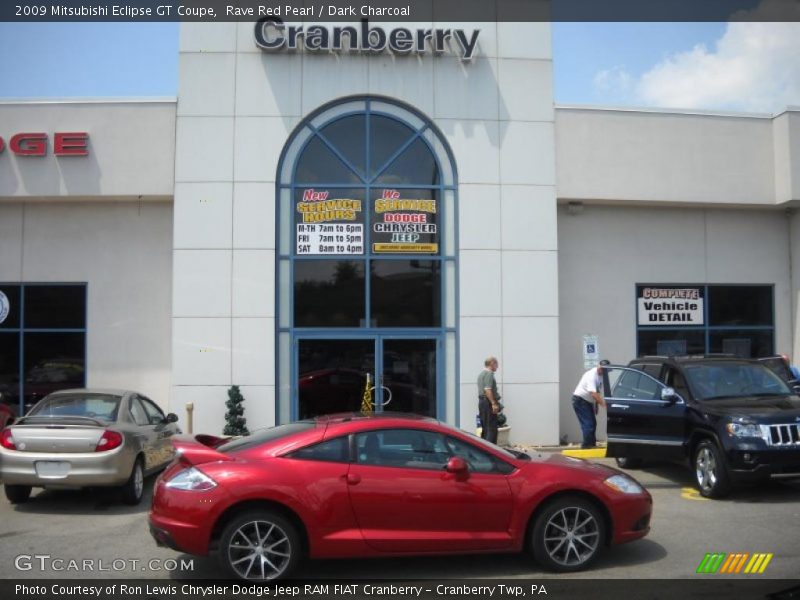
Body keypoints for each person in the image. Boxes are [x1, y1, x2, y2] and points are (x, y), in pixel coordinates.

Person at [571, 359, 609, 448]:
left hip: (587, 401)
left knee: (593, 423)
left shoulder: (601, 376)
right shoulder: (591, 375)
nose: (602, 371)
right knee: (588, 424)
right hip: (580, 400)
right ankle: (586, 445)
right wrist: (603, 404)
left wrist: (596, 405)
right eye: (601, 368)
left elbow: (597, 392)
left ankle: (591, 444)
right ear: (598, 366)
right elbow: (593, 393)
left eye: (605, 370)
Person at [477, 356, 502, 444]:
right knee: (491, 428)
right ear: (492, 363)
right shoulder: (489, 374)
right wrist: (494, 403)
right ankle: (491, 451)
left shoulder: (481, 374)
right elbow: (488, 390)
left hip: (482, 402)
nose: (497, 367)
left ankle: (484, 449)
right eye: (496, 364)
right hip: (487, 402)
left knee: (485, 427)